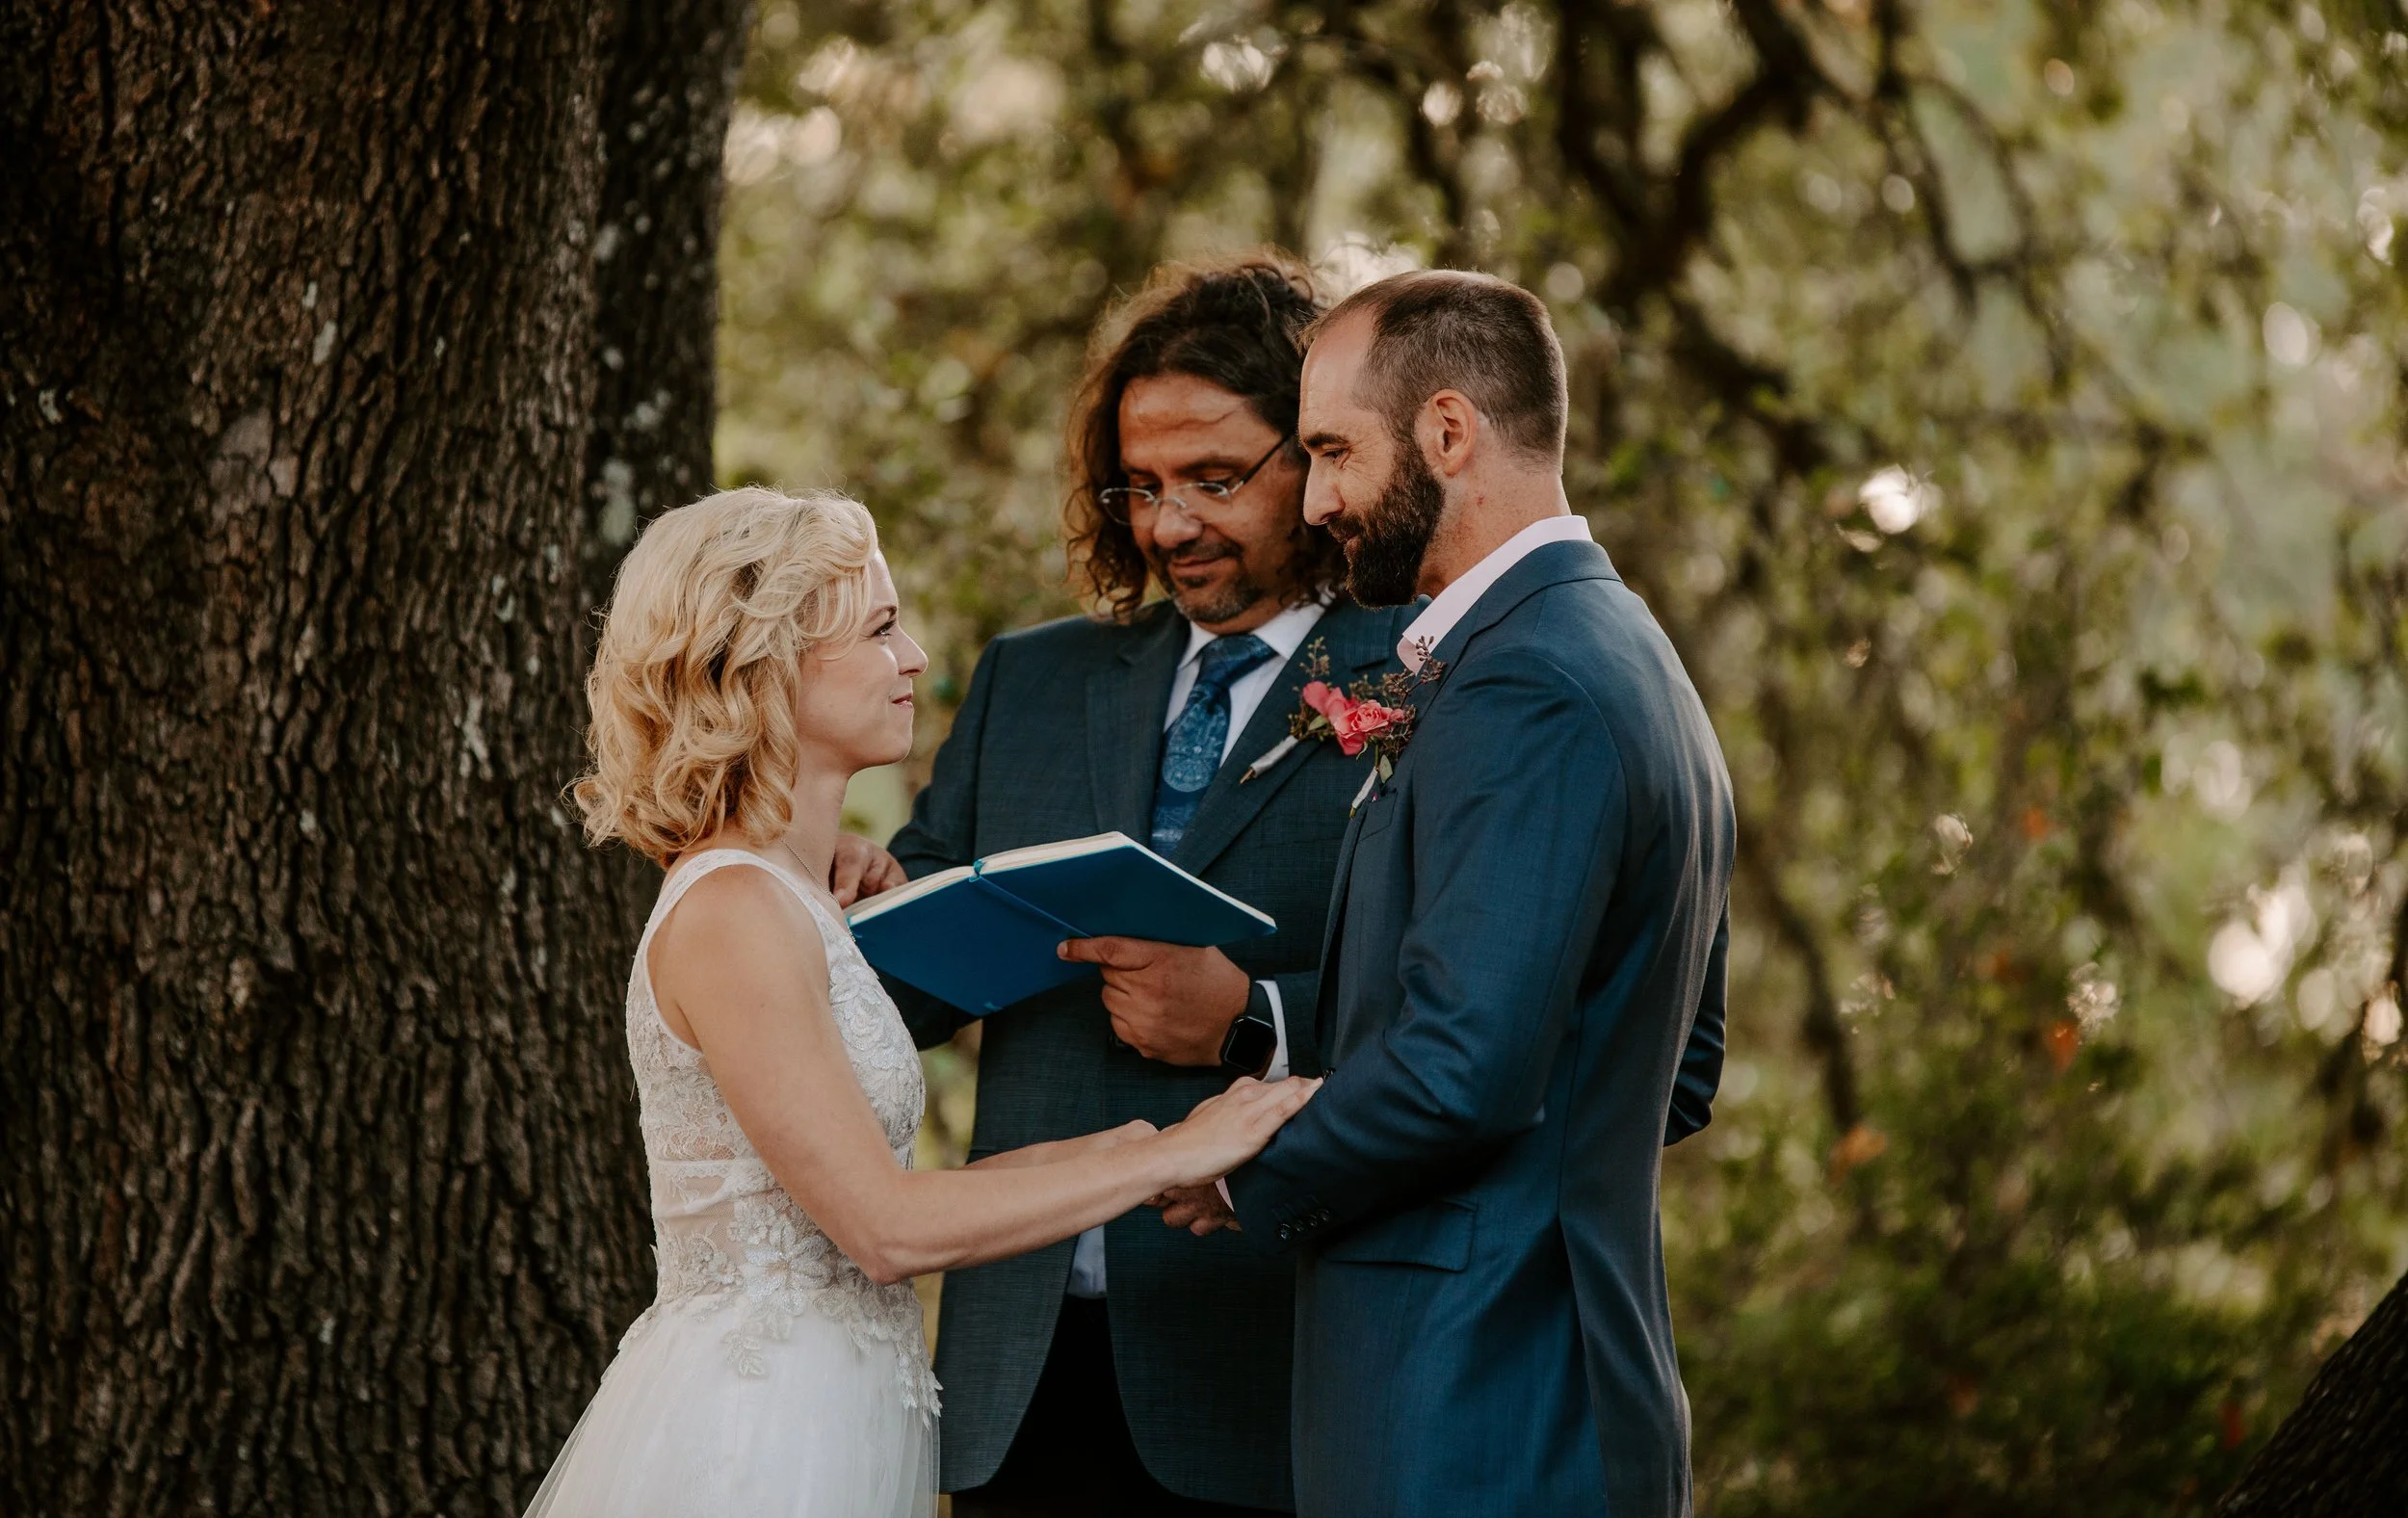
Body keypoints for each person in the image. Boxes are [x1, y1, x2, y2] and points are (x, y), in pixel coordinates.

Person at [525, 486, 1318, 1518]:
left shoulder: (801, 898)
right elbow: (886, 1226)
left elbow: (933, 1184)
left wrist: (1170, 1134)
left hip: (852, 1404)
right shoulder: (732, 912)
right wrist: (1166, 1157)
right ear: (768, 666)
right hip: (760, 1432)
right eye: (881, 627)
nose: (915, 659)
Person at [833, 253, 1419, 1515]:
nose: (1168, 526)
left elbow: (1468, 1002)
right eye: (1139, 486)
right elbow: (899, 990)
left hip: (1269, 1364)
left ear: (1314, 459)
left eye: (1215, 479)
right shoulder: (1030, 682)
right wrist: (845, 901)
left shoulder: (1425, 676)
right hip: (1019, 1373)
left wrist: (1260, 1016)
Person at [1219, 271, 1733, 1517]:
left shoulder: (1527, 684)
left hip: (1476, 1406)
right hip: (1549, 1390)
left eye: (1335, 450)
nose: (1321, 499)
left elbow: (1464, 1066)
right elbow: (1681, 1068)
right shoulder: (1623, 651)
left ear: (1449, 433)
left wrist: (1245, 1161)